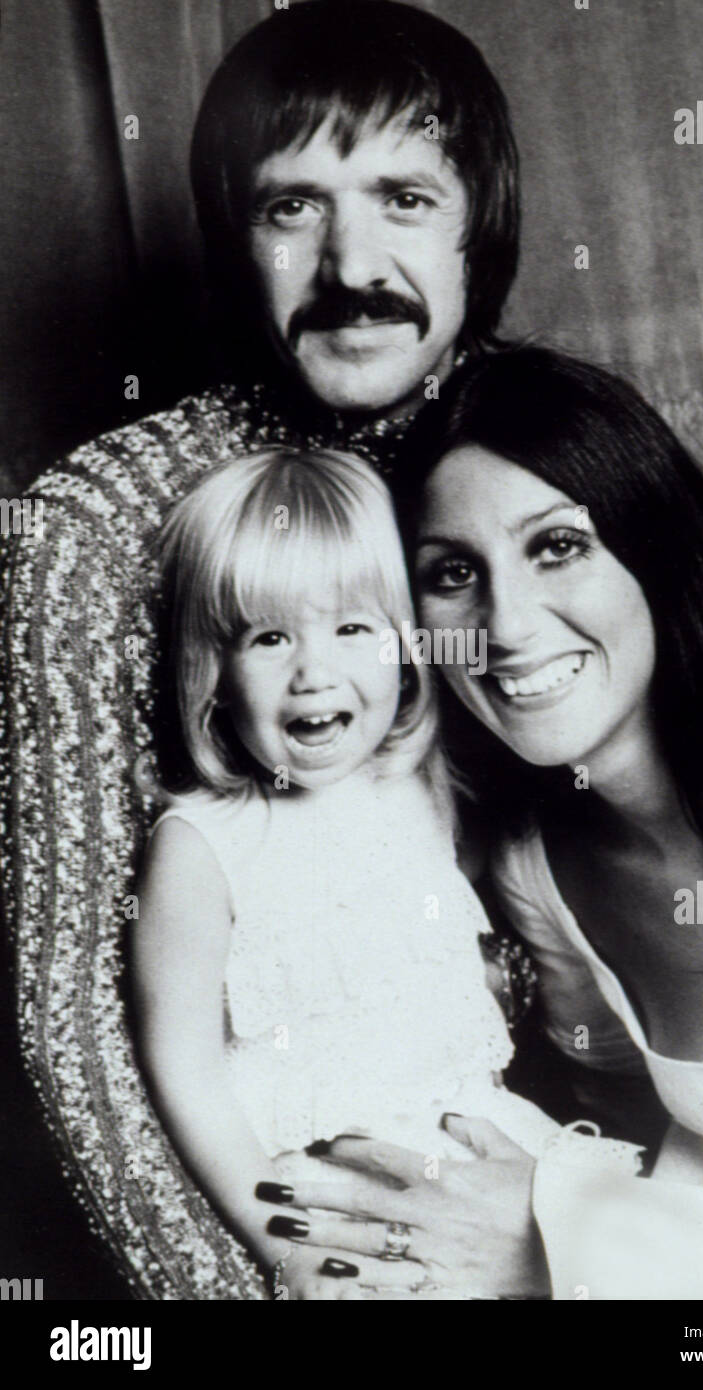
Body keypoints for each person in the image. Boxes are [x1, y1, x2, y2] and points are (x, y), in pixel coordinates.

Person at [0, 1, 524, 1298]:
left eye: (403, 196)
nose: (350, 260)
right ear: (236, 242)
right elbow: (81, 1025)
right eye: (291, 206)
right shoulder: (95, 525)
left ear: (481, 223)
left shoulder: (541, 465)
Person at [253, 345, 703, 1299]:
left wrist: (565, 1239)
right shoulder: (539, 869)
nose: (507, 624)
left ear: (657, 549)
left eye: (557, 546)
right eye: (452, 573)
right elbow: (627, 1132)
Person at [132, 445, 562, 1300]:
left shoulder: (421, 784)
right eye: (269, 636)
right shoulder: (202, 843)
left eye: (353, 628)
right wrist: (279, 1239)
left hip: (486, 1163)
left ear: (404, 649)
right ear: (212, 676)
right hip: (348, 1203)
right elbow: (183, 1071)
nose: (313, 671)